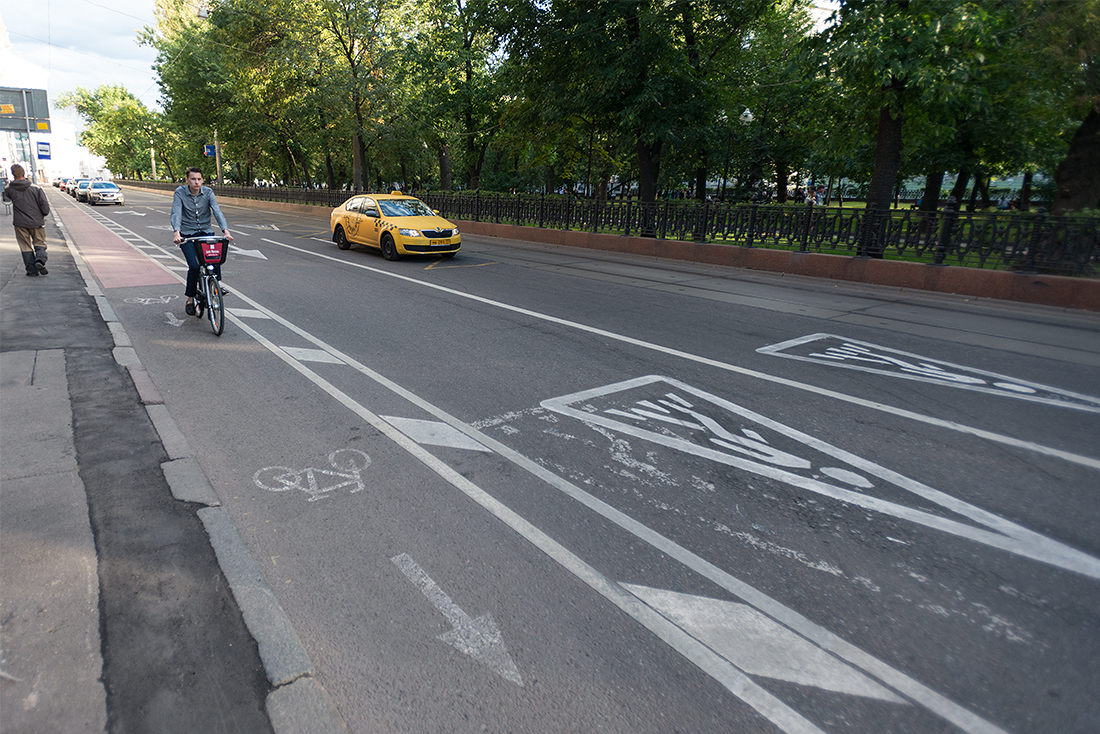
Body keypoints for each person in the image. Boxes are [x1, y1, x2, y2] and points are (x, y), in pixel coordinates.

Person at [171, 167, 233, 316]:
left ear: (202, 180)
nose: (196, 182)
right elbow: (176, 212)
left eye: (199, 179)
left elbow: (217, 211)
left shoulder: (208, 192)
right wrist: (177, 233)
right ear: (187, 180)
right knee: (194, 266)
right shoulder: (180, 192)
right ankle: (190, 299)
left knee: (214, 260)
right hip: (187, 234)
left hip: (206, 232)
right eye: (193, 179)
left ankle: (216, 284)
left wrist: (226, 231)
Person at [3, 164, 50, 276]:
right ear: (24, 173)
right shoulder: (36, 188)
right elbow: (44, 206)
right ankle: (40, 260)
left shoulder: (9, 189)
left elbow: (6, 196)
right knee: (40, 242)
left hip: (20, 223)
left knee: (25, 246)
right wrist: (43, 214)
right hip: (36, 221)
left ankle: (31, 270)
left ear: (13, 175)